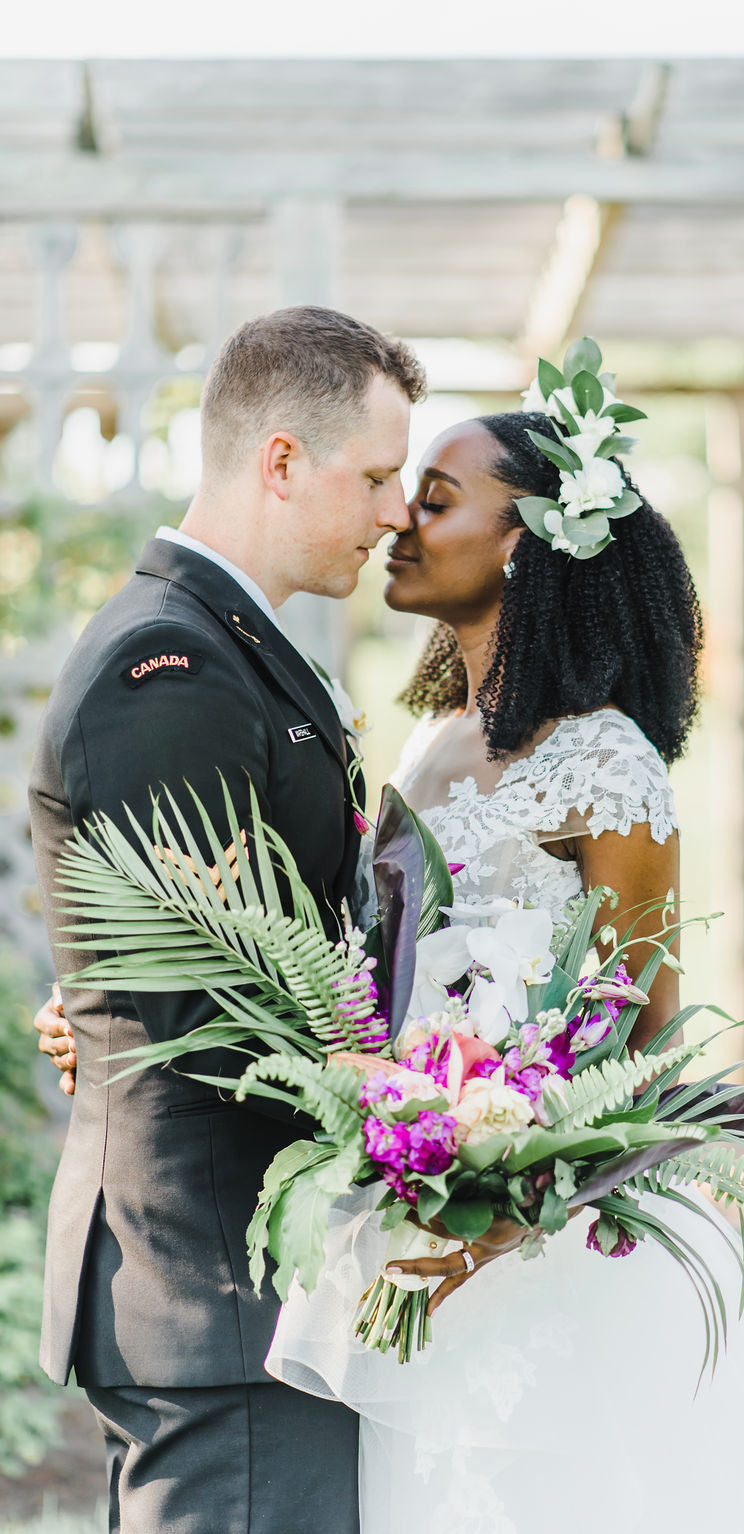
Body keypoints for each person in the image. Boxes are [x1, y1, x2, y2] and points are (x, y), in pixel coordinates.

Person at [40, 397, 744, 1532]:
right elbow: (361, 966)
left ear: (526, 540)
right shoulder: (431, 745)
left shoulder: (606, 759)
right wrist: (113, 1014)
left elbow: (638, 1030)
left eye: (434, 500)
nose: (398, 520)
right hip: (412, 1221)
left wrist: (510, 1191)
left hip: (542, 1243)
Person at [28, 305, 424, 1534]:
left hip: (251, 1281)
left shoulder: (224, 643)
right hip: (212, 1283)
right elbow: (209, 1001)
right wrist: (431, 1098)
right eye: (377, 474)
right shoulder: (172, 667)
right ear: (282, 460)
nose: (396, 509)